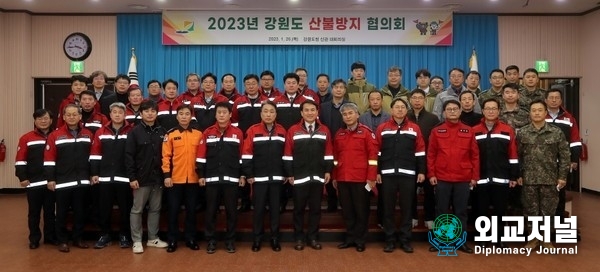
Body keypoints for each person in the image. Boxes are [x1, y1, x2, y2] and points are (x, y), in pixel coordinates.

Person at [427, 100, 479, 254]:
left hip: (463, 178)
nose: (452, 112)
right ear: (443, 113)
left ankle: (460, 242)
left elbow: (475, 156)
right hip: (442, 177)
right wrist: (431, 174)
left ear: (460, 111)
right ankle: (441, 241)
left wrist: (474, 176)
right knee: (442, 211)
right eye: (448, 109)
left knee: (461, 212)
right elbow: (431, 155)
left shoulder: (469, 131)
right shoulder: (437, 131)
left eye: (455, 109)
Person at [518, 100, 570, 249]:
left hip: (550, 179)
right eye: (533, 110)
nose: (537, 113)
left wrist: (562, 176)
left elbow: (565, 156)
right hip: (529, 179)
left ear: (545, 112)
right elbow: (518, 156)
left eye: (540, 110)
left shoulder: (556, 132)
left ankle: (546, 239)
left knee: (548, 212)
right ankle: (533, 239)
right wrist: (519, 175)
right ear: (530, 113)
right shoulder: (523, 132)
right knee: (531, 211)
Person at [377, 98, 426, 253]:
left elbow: (420, 152)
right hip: (387, 175)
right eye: (396, 107)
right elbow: (376, 152)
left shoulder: (414, 128)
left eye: (402, 107)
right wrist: (376, 172)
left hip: (408, 174)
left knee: (407, 208)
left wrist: (422, 171)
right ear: (391, 110)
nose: (399, 110)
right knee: (388, 208)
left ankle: (405, 240)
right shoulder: (382, 128)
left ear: (406, 110)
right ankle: (390, 239)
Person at [284, 100, 334, 251]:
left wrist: (327, 171)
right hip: (299, 177)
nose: (310, 113)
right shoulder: (293, 130)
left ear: (317, 112)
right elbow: (288, 154)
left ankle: (313, 237)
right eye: (306, 110)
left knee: (315, 209)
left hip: (318, 176)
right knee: (298, 209)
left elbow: (329, 153)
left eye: (313, 110)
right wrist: (290, 173)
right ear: (301, 113)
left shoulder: (325, 130)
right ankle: (299, 238)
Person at [44, 104, 94, 253]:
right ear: (64, 117)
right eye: (69, 115)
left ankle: (78, 238)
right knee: (62, 213)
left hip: (83, 181)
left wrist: (92, 174)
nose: (72, 117)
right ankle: (62, 240)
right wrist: (50, 179)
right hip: (62, 182)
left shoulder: (88, 134)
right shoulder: (55, 135)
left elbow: (93, 157)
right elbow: (49, 159)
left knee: (80, 212)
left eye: (75, 114)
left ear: (80, 117)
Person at [196, 102, 245, 254]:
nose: (222, 115)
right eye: (219, 112)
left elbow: (242, 156)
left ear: (230, 114)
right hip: (211, 179)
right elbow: (201, 156)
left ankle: (230, 240)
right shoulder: (207, 132)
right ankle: (211, 240)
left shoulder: (238, 133)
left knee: (231, 212)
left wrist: (242, 175)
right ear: (215, 115)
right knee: (210, 211)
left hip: (232, 179)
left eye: (225, 112)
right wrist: (201, 175)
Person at [472, 98, 519, 248]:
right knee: (481, 210)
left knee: (500, 210)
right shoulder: (474, 130)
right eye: (488, 108)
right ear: (483, 111)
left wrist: (513, 176)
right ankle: (482, 238)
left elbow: (513, 154)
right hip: (481, 178)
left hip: (502, 178)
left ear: (498, 111)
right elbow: (471, 156)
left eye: (494, 108)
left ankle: (499, 238)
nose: (491, 111)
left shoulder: (507, 130)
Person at [242, 101, 287, 252]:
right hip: (258, 179)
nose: (268, 114)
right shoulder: (253, 130)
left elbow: (286, 155)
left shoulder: (282, 131)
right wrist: (249, 174)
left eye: (271, 112)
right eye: (265, 111)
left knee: (275, 210)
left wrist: (286, 173)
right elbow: (246, 154)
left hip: (276, 178)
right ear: (261, 114)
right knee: (258, 210)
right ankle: (257, 239)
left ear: (276, 114)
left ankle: (275, 238)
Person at [333, 102, 378, 252]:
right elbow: (335, 157)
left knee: (361, 211)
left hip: (361, 179)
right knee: (347, 211)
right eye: (344, 114)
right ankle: (350, 238)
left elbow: (373, 157)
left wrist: (371, 178)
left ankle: (360, 239)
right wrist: (335, 177)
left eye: (350, 113)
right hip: (343, 178)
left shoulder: (367, 132)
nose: (347, 116)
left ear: (357, 114)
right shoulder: (339, 134)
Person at [125, 100, 168, 254]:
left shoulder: (162, 131)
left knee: (155, 209)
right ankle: (136, 240)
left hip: (158, 178)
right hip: (141, 178)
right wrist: (132, 177)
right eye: (146, 111)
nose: (150, 113)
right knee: (137, 210)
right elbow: (129, 156)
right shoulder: (134, 132)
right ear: (141, 113)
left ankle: (152, 238)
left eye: (153, 111)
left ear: (156, 113)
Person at [90, 102, 134, 249]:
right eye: (114, 112)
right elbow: (95, 154)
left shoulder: (131, 131)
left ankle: (124, 235)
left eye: (120, 112)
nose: (117, 115)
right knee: (104, 208)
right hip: (105, 177)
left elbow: (134, 155)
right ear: (110, 114)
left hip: (124, 178)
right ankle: (105, 235)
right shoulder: (101, 132)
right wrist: (95, 173)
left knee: (125, 208)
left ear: (125, 114)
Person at [162, 105, 203, 253]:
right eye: (181, 114)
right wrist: (167, 176)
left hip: (193, 179)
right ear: (177, 117)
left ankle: (191, 238)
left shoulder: (198, 134)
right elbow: (165, 157)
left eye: (187, 114)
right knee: (173, 211)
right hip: (175, 180)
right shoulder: (170, 134)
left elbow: (202, 156)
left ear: (191, 116)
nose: (184, 116)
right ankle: (172, 240)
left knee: (191, 211)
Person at [15, 109, 57, 249]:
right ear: (35, 121)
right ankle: (34, 239)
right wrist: (22, 177)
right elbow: (20, 160)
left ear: (51, 120)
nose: (43, 121)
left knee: (50, 212)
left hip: (51, 182)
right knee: (34, 213)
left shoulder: (57, 135)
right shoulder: (26, 138)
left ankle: (50, 237)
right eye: (39, 119)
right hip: (33, 182)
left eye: (46, 118)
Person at [231, 74, 269, 212]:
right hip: (244, 141)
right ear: (244, 86)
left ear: (258, 85)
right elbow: (234, 122)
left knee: (260, 170)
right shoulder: (239, 102)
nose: (251, 86)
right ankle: (245, 201)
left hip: (262, 141)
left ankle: (262, 202)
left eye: (253, 83)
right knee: (244, 170)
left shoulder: (266, 101)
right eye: (248, 84)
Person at [544, 88, 582, 219]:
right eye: (551, 97)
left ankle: (558, 221)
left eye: (557, 98)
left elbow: (575, 141)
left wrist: (574, 159)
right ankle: (543, 224)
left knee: (560, 193)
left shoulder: (569, 118)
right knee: (543, 193)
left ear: (561, 100)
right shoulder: (540, 115)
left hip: (562, 163)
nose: (554, 100)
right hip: (542, 163)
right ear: (546, 100)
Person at [407, 89, 439, 230]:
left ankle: (429, 217)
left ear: (425, 99)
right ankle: (412, 216)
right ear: (410, 100)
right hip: (408, 161)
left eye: (420, 98)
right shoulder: (405, 117)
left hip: (427, 160)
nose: (417, 100)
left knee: (429, 191)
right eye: (414, 98)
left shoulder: (433, 118)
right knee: (410, 191)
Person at [318, 78, 349, 212]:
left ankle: (344, 201)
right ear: (332, 89)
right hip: (327, 145)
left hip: (345, 146)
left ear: (345, 90)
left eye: (341, 87)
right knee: (329, 172)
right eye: (336, 87)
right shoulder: (324, 106)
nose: (338, 90)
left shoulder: (349, 106)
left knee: (343, 173)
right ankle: (332, 202)